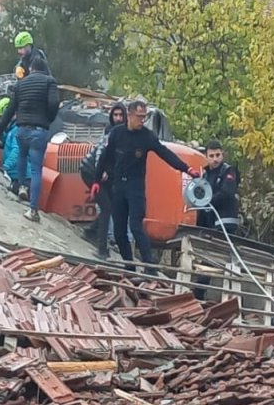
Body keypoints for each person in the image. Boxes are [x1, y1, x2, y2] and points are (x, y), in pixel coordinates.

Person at [94, 99, 201, 274]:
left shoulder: (147, 136)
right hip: (119, 185)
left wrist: (187, 169)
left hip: (136, 187)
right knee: (119, 232)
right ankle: (129, 265)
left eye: (144, 117)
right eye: (139, 117)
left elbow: (166, 154)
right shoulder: (116, 134)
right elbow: (105, 157)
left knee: (136, 226)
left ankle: (149, 267)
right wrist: (97, 181)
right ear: (129, 115)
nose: (142, 120)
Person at [0, 55, 59, 222]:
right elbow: (53, 105)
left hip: (22, 129)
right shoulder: (49, 82)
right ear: (44, 69)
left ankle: (22, 186)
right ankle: (33, 210)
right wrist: (48, 120)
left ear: (30, 69)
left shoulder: (20, 84)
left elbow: (10, 110)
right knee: (37, 169)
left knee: (22, 156)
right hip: (39, 131)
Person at [191, 140, 242, 299]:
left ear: (222, 154)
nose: (215, 159)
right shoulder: (206, 174)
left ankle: (200, 290)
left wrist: (208, 200)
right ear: (206, 156)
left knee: (212, 256)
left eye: (218, 155)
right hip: (210, 223)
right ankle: (201, 289)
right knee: (208, 255)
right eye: (211, 156)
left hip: (225, 222)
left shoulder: (228, 171)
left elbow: (227, 193)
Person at [79, 102, 127, 259]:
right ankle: (101, 249)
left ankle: (91, 231)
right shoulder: (111, 132)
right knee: (106, 208)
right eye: (115, 115)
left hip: (106, 177)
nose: (118, 118)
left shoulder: (125, 134)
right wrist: (103, 171)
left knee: (110, 206)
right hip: (91, 172)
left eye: (121, 115)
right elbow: (101, 152)